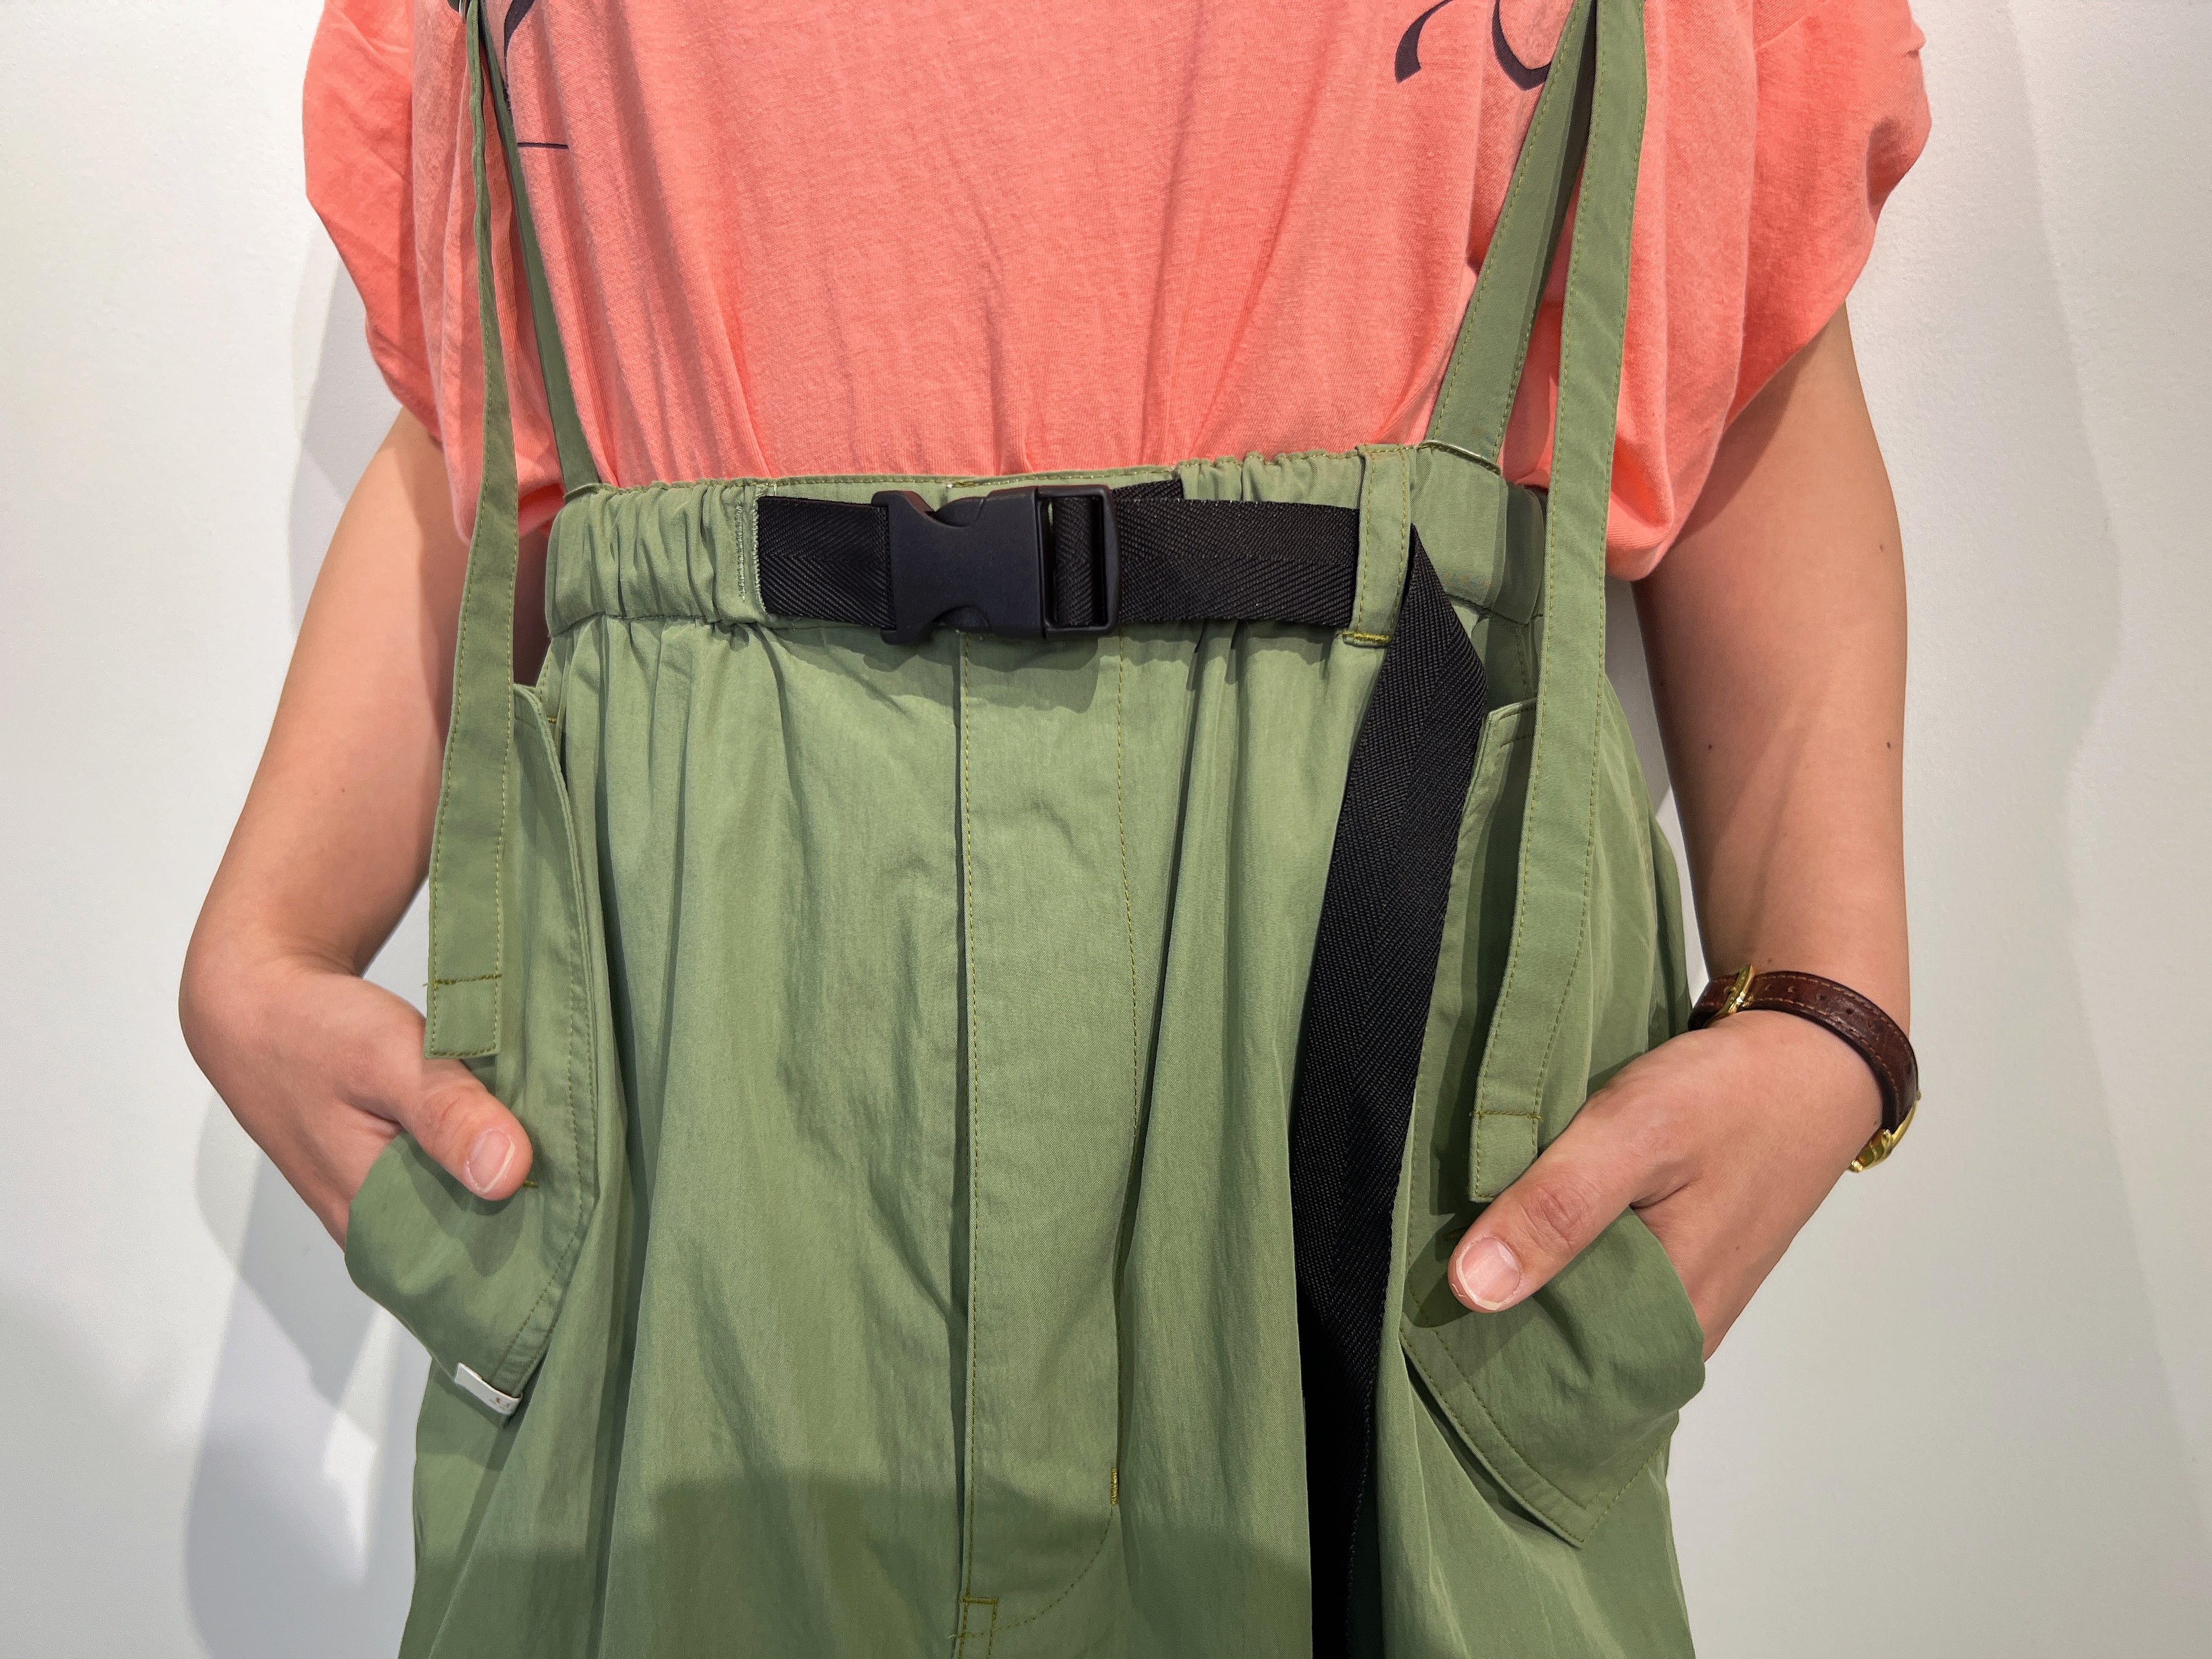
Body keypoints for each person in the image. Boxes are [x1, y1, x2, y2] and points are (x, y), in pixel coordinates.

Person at [180, 0, 1929, 1653]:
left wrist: (1830, 1009)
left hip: (1357, 966)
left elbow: (1733, 309)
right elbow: (494, 416)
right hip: (695, 1006)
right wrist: (261, 950)